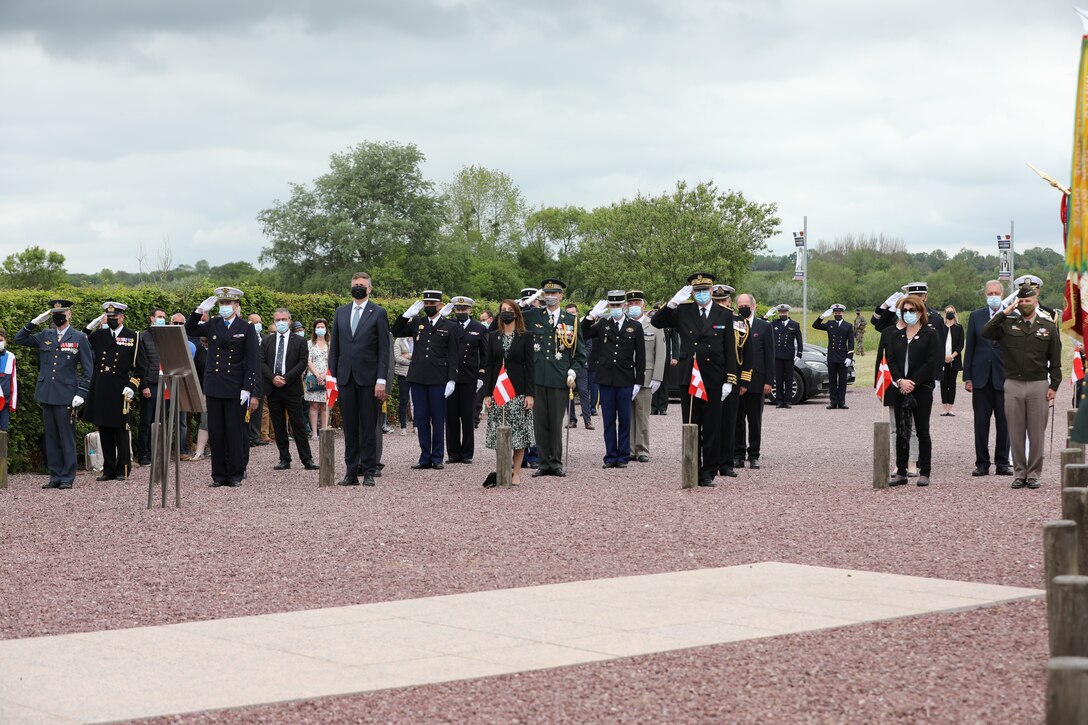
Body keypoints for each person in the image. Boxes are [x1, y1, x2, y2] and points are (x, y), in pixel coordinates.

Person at [652, 272, 737, 487]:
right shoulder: (683, 310)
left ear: (711, 290)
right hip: (690, 376)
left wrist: (730, 379)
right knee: (691, 424)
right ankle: (691, 467)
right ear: (692, 292)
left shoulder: (724, 314)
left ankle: (708, 471)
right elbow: (656, 321)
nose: (701, 294)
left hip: (714, 377)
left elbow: (729, 349)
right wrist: (672, 302)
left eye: (704, 290)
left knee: (712, 427)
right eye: (696, 291)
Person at [982, 283, 1062, 489]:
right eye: (1022, 301)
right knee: (1016, 432)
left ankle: (1034, 473)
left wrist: (1054, 385)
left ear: (1036, 301)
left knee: (1036, 433)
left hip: (1038, 384)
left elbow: (1055, 361)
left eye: (1028, 300)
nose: (1025, 304)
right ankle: (1019, 473)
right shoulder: (1008, 324)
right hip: (1013, 384)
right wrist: (1005, 311)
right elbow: (986, 331)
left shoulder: (1048, 327)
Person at [185, 287, 260, 488]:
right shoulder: (213, 324)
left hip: (235, 386)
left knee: (234, 431)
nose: (224, 307)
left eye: (228, 304)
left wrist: (248, 387)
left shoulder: (246, 327)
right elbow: (189, 330)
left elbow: (252, 360)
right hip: (215, 385)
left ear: (236, 306)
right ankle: (218, 475)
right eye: (222, 304)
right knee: (216, 432)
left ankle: (235, 474)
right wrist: (199, 311)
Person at [14, 300, 92, 489]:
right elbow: (19, 339)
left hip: (66, 395)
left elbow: (88, 370)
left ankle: (67, 477)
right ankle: (55, 475)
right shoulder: (45, 335)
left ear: (69, 315)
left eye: (62, 313)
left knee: (66, 437)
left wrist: (81, 392)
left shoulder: (79, 337)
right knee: (51, 437)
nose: (59, 316)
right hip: (47, 393)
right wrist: (34, 322)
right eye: (55, 313)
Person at [519, 279, 586, 477]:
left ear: (561, 296)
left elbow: (579, 352)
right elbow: (513, 315)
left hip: (559, 379)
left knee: (556, 423)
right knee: (539, 423)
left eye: (554, 293)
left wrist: (574, 370)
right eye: (547, 294)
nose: (550, 297)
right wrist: (526, 302)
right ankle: (543, 462)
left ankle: (555, 462)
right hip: (538, 377)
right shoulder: (533, 316)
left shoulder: (571, 320)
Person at [328, 272, 390, 487]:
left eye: (362, 285)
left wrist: (382, 379)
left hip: (370, 379)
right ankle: (351, 471)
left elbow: (384, 350)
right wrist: (333, 376)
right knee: (350, 428)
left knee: (368, 427)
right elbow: (334, 347)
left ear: (369, 289)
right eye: (355, 284)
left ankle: (370, 470)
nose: (358, 287)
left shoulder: (378, 313)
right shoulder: (341, 312)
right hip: (346, 378)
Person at [391, 290, 458, 470]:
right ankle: (424, 456)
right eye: (426, 304)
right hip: (418, 377)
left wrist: (452, 380)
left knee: (437, 419)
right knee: (421, 419)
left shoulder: (449, 326)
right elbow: (395, 330)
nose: (429, 307)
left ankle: (437, 457)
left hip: (438, 379)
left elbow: (453, 355)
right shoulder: (417, 323)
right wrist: (406, 315)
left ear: (439, 304)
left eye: (432, 304)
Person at [81, 302, 144, 481]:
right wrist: (90, 327)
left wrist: (132, 386)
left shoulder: (133, 336)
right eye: (108, 317)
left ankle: (123, 469)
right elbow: (81, 342)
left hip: (121, 387)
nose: (111, 320)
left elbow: (140, 368)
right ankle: (108, 469)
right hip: (101, 385)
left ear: (122, 317)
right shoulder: (99, 335)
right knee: (105, 430)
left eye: (114, 317)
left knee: (120, 430)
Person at [583, 291, 646, 469]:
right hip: (606, 379)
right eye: (613, 305)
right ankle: (610, 456)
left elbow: (640, 355)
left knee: (625, 420)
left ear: (624, 306)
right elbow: (583, 333)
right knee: (609, 420)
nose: (616, 308)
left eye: (618, 305)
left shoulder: (634, 326)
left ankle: (623, 456)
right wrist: (590, 316)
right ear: (609, 307)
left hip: (626, 379)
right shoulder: (602, 324)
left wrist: (638, 381)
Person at [884, 295, 941, 487]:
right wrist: (900, 380)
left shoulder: (930, 334)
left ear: (920, 312)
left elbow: (931, 362)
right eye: (904, 311)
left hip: (921, 388)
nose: (908, 314)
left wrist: (912, 382)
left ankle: (924, 471)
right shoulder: (895, 335)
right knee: (902, 430)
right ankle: (901, 471)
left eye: (911, 310)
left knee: (922, 430)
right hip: (900, 388)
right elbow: (891, 360)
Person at [482, 300, 536, 485]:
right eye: (503, 310)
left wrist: (530, 394)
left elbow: (531, 366)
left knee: (518, 434)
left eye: (509, 310)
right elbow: (489, 366)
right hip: (498, 392)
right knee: (500, 431)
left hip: (518, 391)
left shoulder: (526, 336)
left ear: (516, 313)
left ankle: (517, 472)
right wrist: (486, 394)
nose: (506, 313)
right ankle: (503, 468)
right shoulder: (493, 336)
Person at [962, 281, 1012, 476]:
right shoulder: (976, 317)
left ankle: (1002, 463)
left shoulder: (1011, 316)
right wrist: (968, 377)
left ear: (1002, 294)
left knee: (1004, 423)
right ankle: (982, 463)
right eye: (990, 293)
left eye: (996, 293)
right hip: (980, 377)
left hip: (1004, 377)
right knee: (981, 423)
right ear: (985, 294)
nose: (993, 295)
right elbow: (970, 347)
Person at [261, 308, 318, 471]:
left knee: (298, 425)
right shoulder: (267, 341)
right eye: (277, 320)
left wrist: (286, 378)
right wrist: (273, 378)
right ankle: (284, 458)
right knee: (278, 425)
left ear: (290, 321)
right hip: (273, 388)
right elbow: (261, 362)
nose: (280, 323)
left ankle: (307, 459)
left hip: (292, 387)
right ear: (273, 322)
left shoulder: (299, 341)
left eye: (283, 319)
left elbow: (302, 362)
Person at [446, 296, 488, 464]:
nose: (461, 312)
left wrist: (482, 375)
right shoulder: (449, 326)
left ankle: (467, 453)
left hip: (470, 377)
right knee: (451, 417)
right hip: (451, 378)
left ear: (470, 310)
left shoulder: (478, 328)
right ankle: (453, 453)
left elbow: (485, 354)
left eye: (464, 310)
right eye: (458, 309)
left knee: (468, 416)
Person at [733, 294, 773, 469]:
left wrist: (769, 381)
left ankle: (754, 454)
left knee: (754, 420)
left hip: (757, 381)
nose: (743, 308)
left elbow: (770, 356)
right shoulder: (734, 325)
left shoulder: (764, 327)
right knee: (737, 420)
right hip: (737, 380)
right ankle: (738, 454)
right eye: (740, 305)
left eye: (746, 305)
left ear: (753, 306)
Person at [625, 290, 665, 463]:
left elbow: (661, 353)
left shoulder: (654, 325)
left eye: (637, 302)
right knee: (627, 415)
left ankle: (642, 449)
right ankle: (629, 448)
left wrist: (657, 377)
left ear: (643, 304)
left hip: (647, 377)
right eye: (631, 303)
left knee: (642, 415)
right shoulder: (623, 324)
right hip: (625, 376)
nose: (634, 306)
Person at [712, 284, 742, 477]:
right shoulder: (707, 320)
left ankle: (726, 463)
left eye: (724, 301)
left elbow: (744, 353)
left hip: (732, 377)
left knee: (730, 423)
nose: (721, 304)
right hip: (712, 376)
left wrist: (742, 380)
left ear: (730, 301)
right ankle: (710, 461)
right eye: (717, 301)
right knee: (711, 424)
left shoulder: (739, 322)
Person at [136, 308, 167, 465]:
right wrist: (144, 385)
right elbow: (141, 364)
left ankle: (158, 452)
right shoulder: (143, 337)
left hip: (164, 384)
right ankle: (144, 454)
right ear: (152, 319)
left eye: (163, 317)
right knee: (146, 421)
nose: (162, 319)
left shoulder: (167, 336)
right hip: (150, 384)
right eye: (159, 317)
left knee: (161, 420)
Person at [813, 303, 854, 409]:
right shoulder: (830, 324)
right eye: (835, 313)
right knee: (832, 380)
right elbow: (815, 326)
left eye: (839, 312)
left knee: (842, 381)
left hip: (843, 357)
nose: (837, 314)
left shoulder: (848, 326)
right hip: (832, 356)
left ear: (842, 313)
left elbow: (851, 343)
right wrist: (822, 316)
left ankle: (841, 402)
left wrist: (849, 357)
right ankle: (833, 401)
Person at [566, 302, 595, 431]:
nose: (571, 315)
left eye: (573, 312)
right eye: (568, 313)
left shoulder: (582, 328)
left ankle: (587, 420)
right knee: (569, 392)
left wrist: (581, 358)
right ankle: (572, 419)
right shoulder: (563, 329)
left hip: (581, 365)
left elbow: (588, 347)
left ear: (577, 313)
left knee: (583, 391)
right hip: (567, 365)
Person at [770, 304, 803, 408]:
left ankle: (788, 401)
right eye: (780, 312)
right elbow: (762, 324)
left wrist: (799, 354)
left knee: (788, 378)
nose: (782, 314)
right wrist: (766, 317)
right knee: (778, 379)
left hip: (789, 355)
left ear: (788, 312)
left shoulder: (795, 324)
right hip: (777, 355)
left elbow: (799, 341)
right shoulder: (774, 323)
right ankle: (779, 401)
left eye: (784, 312)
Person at [305, 318, 330, 441]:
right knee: (314, 405)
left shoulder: (330, 344)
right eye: (318, 327)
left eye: (322, 327)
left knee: (325, 405)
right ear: (315, 329)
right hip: (313, 376)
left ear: (326, 329)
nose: (320, 329)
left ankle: (324, 430)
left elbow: (332, 360)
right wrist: (317, 374)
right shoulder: (309, 343)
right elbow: (308, 360)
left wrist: (324, 374)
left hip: (327, 376)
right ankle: (314, 432)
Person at [940, 305, 964, 416]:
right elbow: (938, 343)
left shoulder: (959, 328)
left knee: (952, 383)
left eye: (951, 312)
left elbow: (961, 344)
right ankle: (945, 408)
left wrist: (952, 356)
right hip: (942, 359)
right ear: (945, 314)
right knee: (943, 383)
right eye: (948, 312)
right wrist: (944, 356)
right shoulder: (941, 327)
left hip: (954, 359)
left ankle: (950, 407)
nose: (950, 314)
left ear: (954, 313)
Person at [393, 334, 413, 435]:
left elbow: (422, 354)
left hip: (417, 374)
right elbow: (397, 358)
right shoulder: (399, 340)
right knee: (403, 400)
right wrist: (413, 361)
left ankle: (416, 425)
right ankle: (403, 427)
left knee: (417, 401)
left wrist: (408, 356)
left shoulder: (419, 338)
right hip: (403, 374)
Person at [0, 327, 17, 431]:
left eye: (1, 340)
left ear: (5, 340)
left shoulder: (11, 356)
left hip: (4, 402)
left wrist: (12, 403)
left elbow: (13, 381)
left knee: (3, 432)